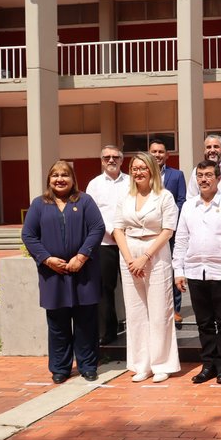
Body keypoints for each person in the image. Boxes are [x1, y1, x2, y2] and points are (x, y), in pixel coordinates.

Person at [22, 161, 105, 384]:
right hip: (53, 274)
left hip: (83, 272)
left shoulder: (84, 201)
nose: (60, 179)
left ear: (72, 179)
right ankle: (60, 368)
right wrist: (47, 259)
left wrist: (82, 256)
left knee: (86, 322)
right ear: (49, 179)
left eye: (65, 175)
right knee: (57, 325)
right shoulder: (39, 204)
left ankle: (88, 365)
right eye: (55, 175)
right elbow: (28, 235)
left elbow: (97, 228)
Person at [173, 160, 221, 385]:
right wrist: (178, 271)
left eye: (208, 175)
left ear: (218, 178)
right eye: (200, 175)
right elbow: (181, 240)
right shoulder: (189, 206)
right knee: (204, 322)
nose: (204, 179)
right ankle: (208, 364)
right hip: (195, 272)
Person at [113, 152, 180, 383]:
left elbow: (168, 230)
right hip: (129, 254)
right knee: (136, 313)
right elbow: (117, 229)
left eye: (143, 168)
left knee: (160, 311)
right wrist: (130, 259)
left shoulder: (164, 196)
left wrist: (145, 257)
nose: (138, 172)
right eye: (134, 168)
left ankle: (162, 363)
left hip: (156, 253)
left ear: (151, 170)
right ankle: (141, 364)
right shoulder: (125, 197)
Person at [85, 145, 130, 345]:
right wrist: (112, 231)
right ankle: (108, 332)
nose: (111, 160)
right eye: (107, 157)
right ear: (102, 161)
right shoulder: (94, 185)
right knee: (105, 289)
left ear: (121, 159)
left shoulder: (131, 181)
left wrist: (123, 232)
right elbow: (93, 213)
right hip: (105, 243)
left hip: (130, 242)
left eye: (115, 157)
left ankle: (136, 330)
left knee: (133, 287)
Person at [148, 138, 187, 329]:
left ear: (167, 155)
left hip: (170, 231)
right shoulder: (142, 174)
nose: (157, 155)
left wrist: (170, 224)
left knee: (172, 269)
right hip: (149, 232)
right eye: (154, 151)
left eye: (161, 152)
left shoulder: (177, 175)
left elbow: (181, 201)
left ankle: (175, 310)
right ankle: (154, 310)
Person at [186, 134, 221, 201]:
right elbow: (191, 198)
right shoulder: (197, 171)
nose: (212, 150)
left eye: (216, 147)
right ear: (204, 151)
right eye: (208, 147)